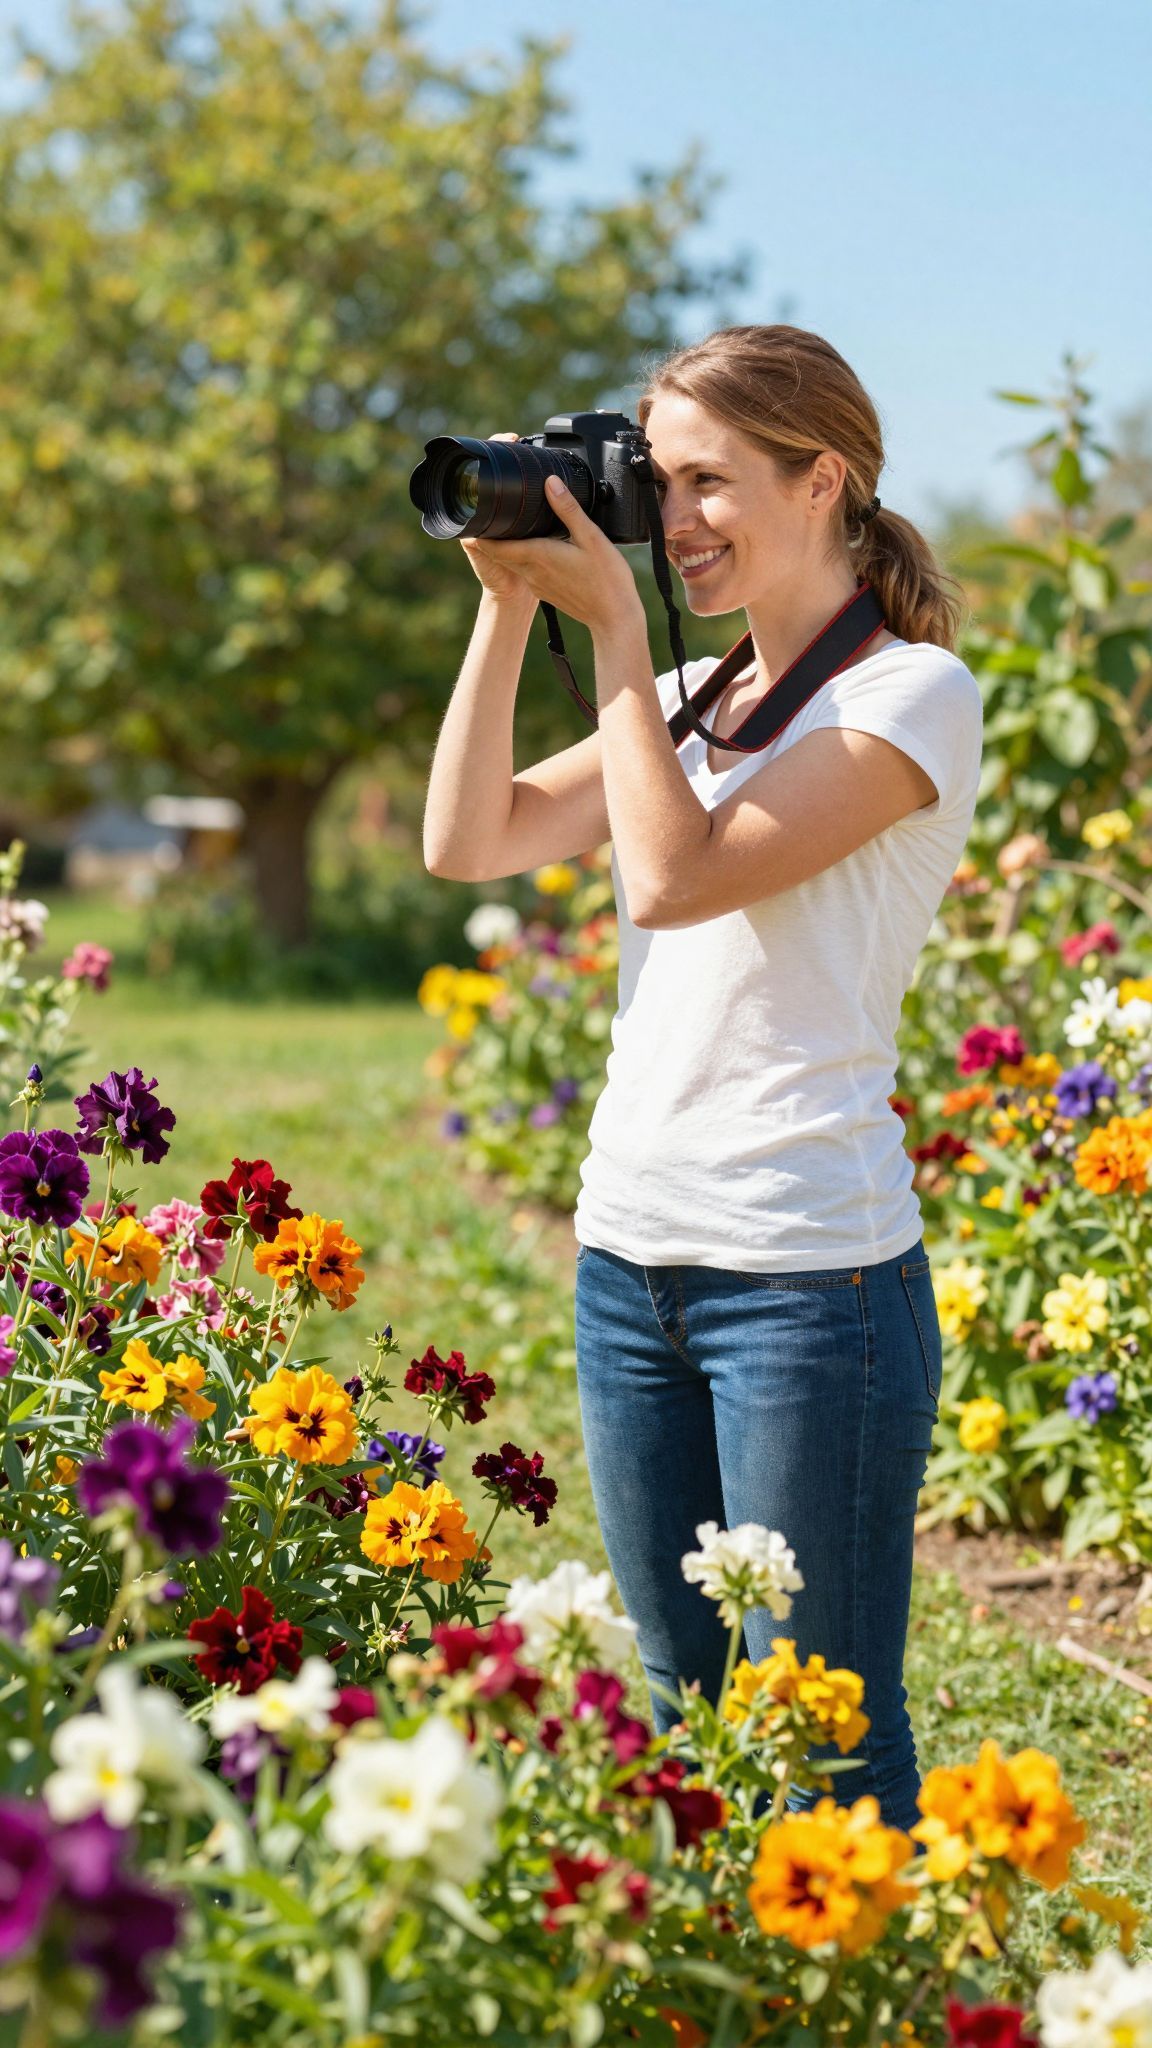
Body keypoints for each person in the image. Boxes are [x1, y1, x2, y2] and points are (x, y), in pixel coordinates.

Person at [422, 324, 983, 1838]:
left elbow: (674, 879)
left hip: (810, 1283)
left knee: (823, 1729)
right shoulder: (680, 696)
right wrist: (506, 605)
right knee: (684, 1710)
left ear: (826, 481)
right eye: (655, 483)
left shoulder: (910, 696)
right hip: (630, 1261)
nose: (669, 524)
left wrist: (609, 633)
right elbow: (466, 842)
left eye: (709, 482)